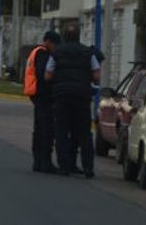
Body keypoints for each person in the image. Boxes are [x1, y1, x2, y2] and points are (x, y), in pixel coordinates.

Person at [45, 25, 101, 177]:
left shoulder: (56, 53)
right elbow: (96, 75)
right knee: (84, 133)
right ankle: (88, 167)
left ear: (63, 36)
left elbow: (48, 75)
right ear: (79, 35)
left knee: (62, 131)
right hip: (82, 96)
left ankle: (64, 167)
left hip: (62, 96)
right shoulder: (88, 53)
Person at [23, 31, 61, 173]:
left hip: (37, 95)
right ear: (49, 42)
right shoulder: (43, 54)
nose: (55, 49)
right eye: (55, 45)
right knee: (46, 130)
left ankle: (38, 161)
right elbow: (43, 74)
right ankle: (45, 162)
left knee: (39, 129)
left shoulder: (36, 52)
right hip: (43, 96)